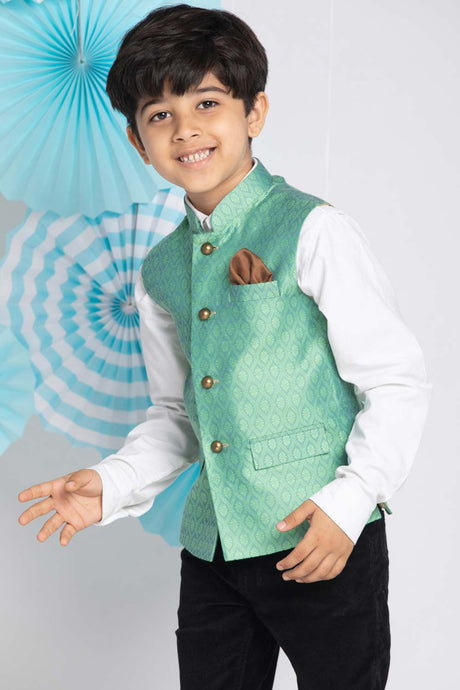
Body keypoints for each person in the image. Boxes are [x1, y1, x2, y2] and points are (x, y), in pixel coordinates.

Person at [18, 5, 432, 688]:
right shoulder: (158, 269)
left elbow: (394, 381)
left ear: (254, 111)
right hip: (212, 551)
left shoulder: (314, 229)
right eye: (160, 115)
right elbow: (177, 415)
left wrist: (351, 501)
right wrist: (112, 483)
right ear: (137, 141)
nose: (185, 129)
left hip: (321, 536)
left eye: (207, 103)